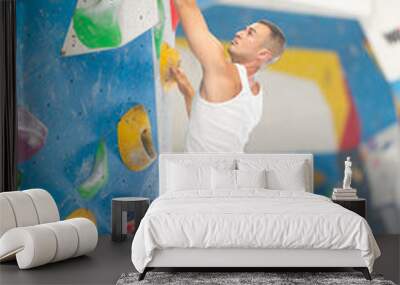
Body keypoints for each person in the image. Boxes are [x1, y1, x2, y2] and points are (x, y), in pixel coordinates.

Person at [171, 0, 286, 153]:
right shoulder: (255, 93)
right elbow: (209, 124)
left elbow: (185, 5)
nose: (239, 33)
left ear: (263, 54)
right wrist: (187, 91)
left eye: (250, 33)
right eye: (245, 30)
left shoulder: (227, 73)